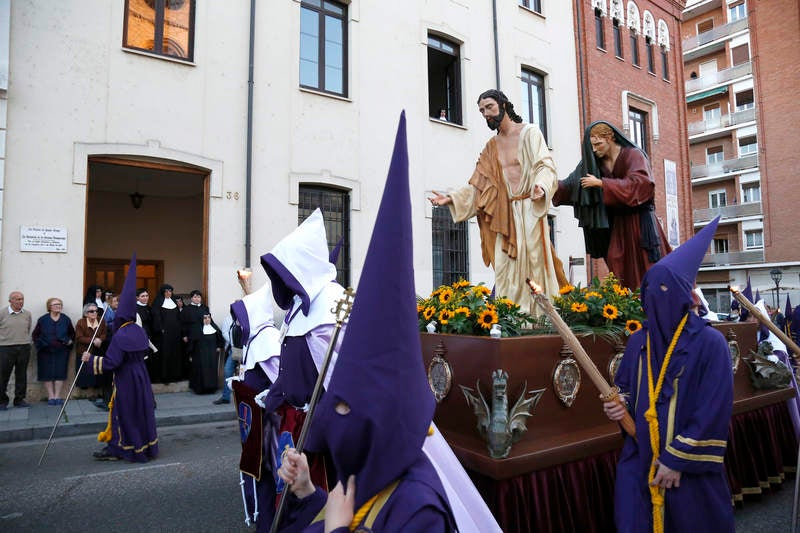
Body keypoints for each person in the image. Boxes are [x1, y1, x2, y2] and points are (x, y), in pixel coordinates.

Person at [277, 113, 458, 532]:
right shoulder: (364, 474)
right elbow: (343, 512)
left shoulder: (418, 511)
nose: (334, 421)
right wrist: (308, 494)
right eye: (335, 405)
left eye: (344, 409)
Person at [602, 216, 734, 533]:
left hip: (686, 471)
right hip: (641, 461)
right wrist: (617, 407)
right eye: (648, 289)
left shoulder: (710, 343)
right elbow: (626, 392)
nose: (653, 298)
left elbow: (713, 409)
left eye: (663, 289)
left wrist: (677, 459)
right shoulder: (637, 341)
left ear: (681, 296)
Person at [428, 89, 567, 314]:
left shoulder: (529, 133)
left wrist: (540, 185)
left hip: (530, 209)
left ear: (504, 105)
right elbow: (481, 186)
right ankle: (512, 318)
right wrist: (452, 198)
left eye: (490, 107)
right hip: (505, 213)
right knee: (506, 269)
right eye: (482, 110)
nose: (486, 114)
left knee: (534, 263)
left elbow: (545, 165)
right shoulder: (491, 147)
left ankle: (542, 319)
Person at [553, 121, 671, 290]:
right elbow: (571, 185)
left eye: (598, 144)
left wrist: (602, 184)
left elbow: (642, 184)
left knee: (646, 265)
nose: (595, 150)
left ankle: (655, 303)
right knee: (616, 259)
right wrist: (547, 186)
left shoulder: (633, 155)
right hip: (619, 225)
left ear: (610, 138)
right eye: (592, 146)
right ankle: (627, 304)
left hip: (639, 223)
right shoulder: (595, 164)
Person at [82, 253, 158, 462]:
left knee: (123, 414)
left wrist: (90, 360)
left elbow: (112, 362)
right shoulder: (137, 330)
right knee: (140, 412)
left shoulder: (121, 334)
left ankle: (123, 448)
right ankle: (146, 447)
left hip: (126, 378)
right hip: (141, 376)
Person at [32, 297, 75, 406]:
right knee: (47, 373)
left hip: (61, 350)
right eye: (55, 304)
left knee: (60, 372)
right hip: (45, 351)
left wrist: (69, 341)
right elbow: (35, 335)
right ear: (49, 307)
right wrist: (40, 344)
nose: (58, 306)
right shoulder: (43, 319)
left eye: (60, 304)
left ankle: (58, 396)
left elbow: (72, 333)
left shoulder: (66, 319)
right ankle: (51, 396)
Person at [0, 291, 33, 409]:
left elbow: (28, 328)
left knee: (21, 374)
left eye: (22, 299)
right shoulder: (2, 313)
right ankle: (2, 401)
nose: (20, 301)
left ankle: (19, 400)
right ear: (10, 301)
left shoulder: (27, 314)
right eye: (17, 299)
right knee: (3, 375)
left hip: (24, 347)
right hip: (5, 348)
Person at [151, 283, 183, 383]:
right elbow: (156, 317)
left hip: (175, 333)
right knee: (165, 354)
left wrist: (179, 328)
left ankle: (175, 375)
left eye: (170, 291)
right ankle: (165, 377)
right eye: (166, 291)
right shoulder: (158, 302)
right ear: (163, 292)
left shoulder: (174, 302)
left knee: (175, 353)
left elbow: (178, 317)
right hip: (164, 334)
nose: (169, 293)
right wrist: (161, 328)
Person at [74, 303, 107, 393]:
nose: (95, 313)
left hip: (98, 350)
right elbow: (79, 337)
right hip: (84, 350)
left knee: (98, 372)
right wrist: (93, 340)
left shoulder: (101, 320)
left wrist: (100, 339)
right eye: (91, 311)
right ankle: (85, 394)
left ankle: (96, 391)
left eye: (96, 311)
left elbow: (104, 333)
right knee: (85, 374)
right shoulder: (81, 322)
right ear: (86, 314)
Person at [188, 313, 224, 394]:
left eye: (209, 317)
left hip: (212, 354)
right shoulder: (196, 329)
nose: (207, 319)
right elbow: (191, 343)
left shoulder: (214, 327)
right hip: (200, 355)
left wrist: (219, 346)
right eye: (205, 318)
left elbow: (220, 338)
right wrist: (190, 354)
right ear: (201, 319)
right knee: (202, 371)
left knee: (212, 370)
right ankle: (201, 390)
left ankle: (212, 388)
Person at [213, 308, 242, 405]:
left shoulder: (246, 318)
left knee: (243, 374)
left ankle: (245, 397)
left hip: (244, 350)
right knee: (227, 371)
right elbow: (226, 333)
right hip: (234, 350)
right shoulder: (229, 319)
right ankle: (226, 397)